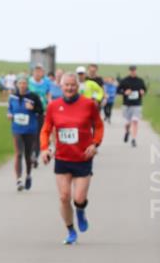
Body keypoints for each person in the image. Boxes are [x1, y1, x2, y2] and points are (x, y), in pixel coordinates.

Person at [39, 72, 104, 244]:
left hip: (83, 158)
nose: (69, 88)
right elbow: (46, 129)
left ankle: (80, 211)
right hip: (62, 158)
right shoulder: (54, 106)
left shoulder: (88, 104)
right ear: (60, 86)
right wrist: (45, 149)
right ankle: (70, 231)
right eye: (66, 85)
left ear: (78, 86)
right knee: (63, 197)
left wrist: (95, 144)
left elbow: (98, 126)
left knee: (79, 198)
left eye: (72, 85)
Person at [8, 75, 43, 191]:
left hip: (30, 129)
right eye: (20, 83)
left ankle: (28, 175)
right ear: (17, 84)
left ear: (27, 84)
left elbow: (41, 110)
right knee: (18, 154)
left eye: (24, 83)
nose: (22, 85)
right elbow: (10, 109)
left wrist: (32, 108)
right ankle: (18, 180)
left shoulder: (33, 96)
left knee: (28, 155)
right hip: (17, 129)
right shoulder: (12, 96)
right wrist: (9, 114)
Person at [27, 64, 51, 167]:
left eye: (40, 71)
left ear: (42, 73)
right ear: (33, 72)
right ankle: (30, 153)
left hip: (41, 112)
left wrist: (49, 105)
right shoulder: (28, 82)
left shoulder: (46, 82)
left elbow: (48, 95)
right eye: (36, 70)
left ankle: (34, 156)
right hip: (29, 113)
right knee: (30, 135)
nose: (37, 73)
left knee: (38, 135)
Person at [118, 65, 147, 147]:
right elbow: (118, 90)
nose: (133, 71)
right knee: (128, 123)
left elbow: (144, 89)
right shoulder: (124, 80)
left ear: (136, 71)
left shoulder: (140, 80)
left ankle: (134, 139)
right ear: (129, 71)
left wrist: (142, 92)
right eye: (131, 70)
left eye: (134, 70)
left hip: (137, 104)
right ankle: (127, 132)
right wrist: (124, 92)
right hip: (126, 104)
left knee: (135, 121)